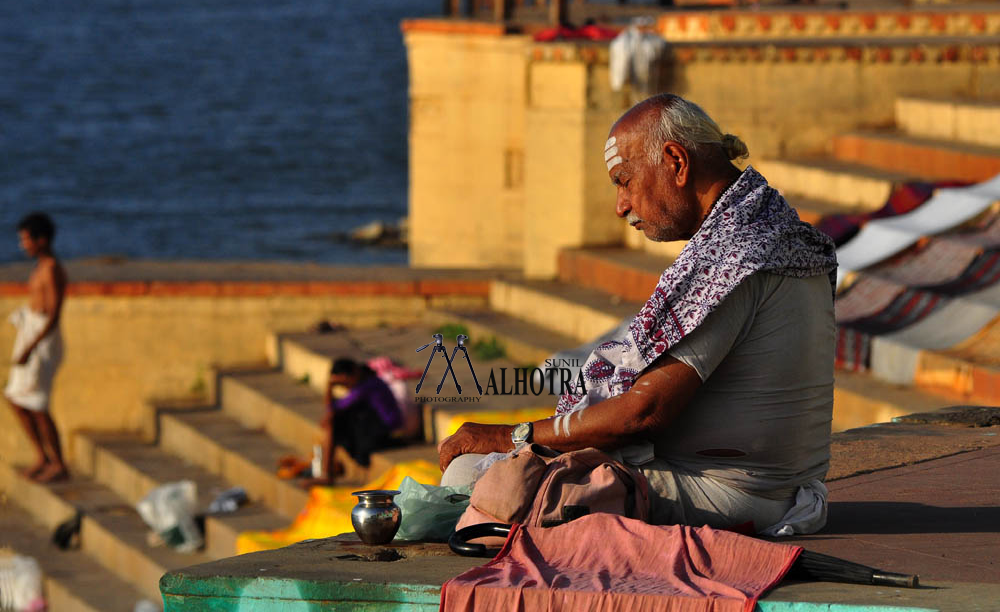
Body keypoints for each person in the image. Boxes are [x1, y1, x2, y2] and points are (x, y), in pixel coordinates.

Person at [439, 94, 838, 535]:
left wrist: (512, 437)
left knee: (471, 476)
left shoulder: (738, 255)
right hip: (769, 488)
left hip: (733, 496)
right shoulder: (774, 232)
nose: (621, 205)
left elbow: (642, 413)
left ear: (676, 162)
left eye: (624, 181)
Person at [6, 212, 68, 483]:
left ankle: (58, 462)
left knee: (37, 403)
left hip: (42, 341)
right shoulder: (41, 266)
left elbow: (53, 314)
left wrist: (31, 346)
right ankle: (43, 456)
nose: (24, 245)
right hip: (32, 335)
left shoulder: (53, 269)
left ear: (41, 240)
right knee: (16, 398)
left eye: (27, 240)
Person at [306, 357, 403, 486]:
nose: (346, 387)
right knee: (334, 422)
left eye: (344, 383)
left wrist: (329, 386)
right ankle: (325, 472)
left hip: (382, 429)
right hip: (373, 427)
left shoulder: (367, 385)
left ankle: (326, 474)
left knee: (334, 422)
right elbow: (334, 409)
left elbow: (332, 409)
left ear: (353, 373)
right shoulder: (365, 381)